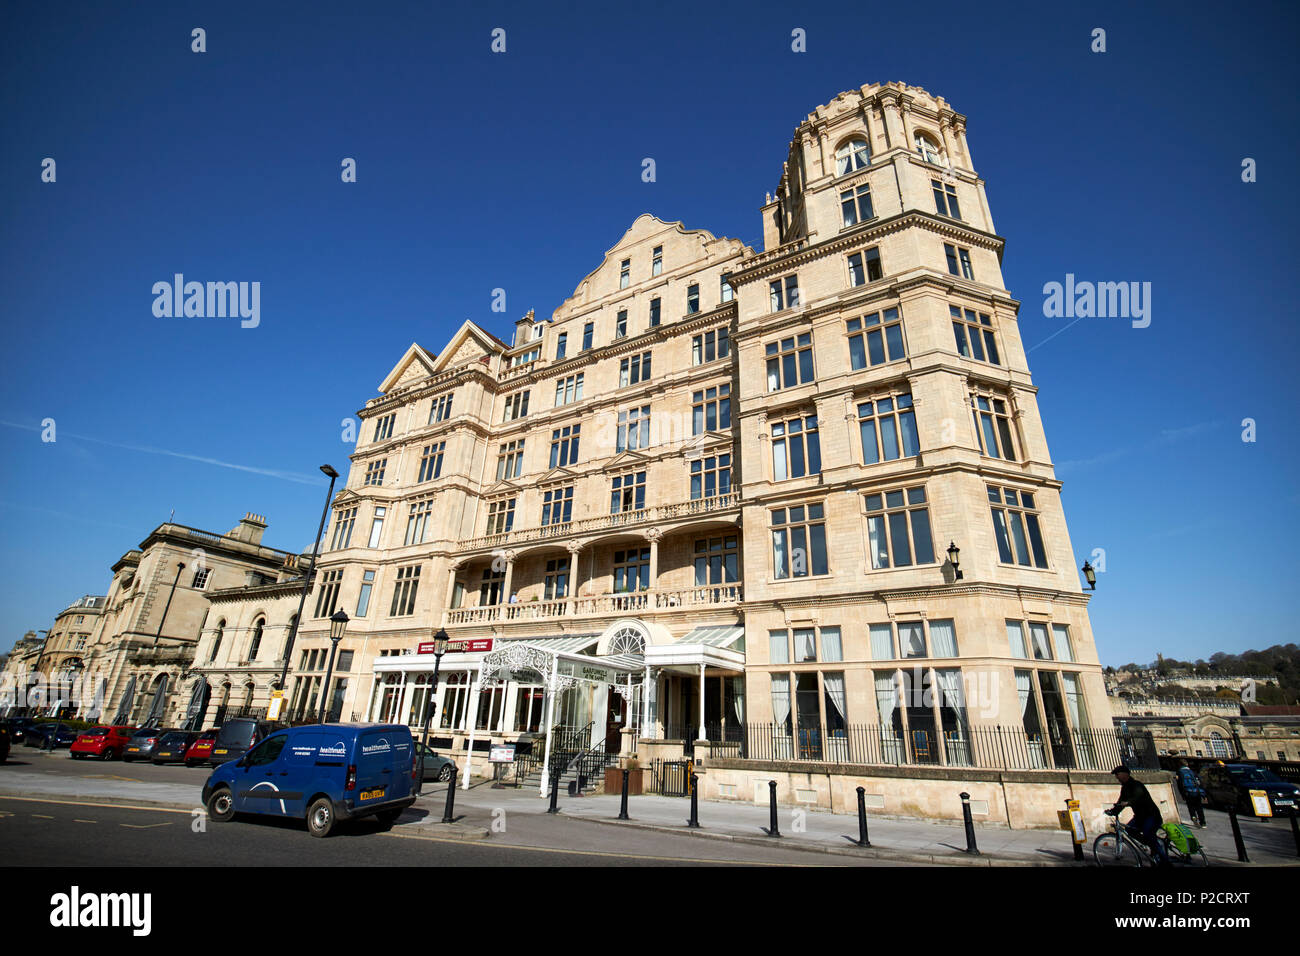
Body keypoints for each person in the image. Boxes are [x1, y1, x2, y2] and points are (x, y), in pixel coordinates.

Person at [1107, 764, 1169, 865]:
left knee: (1148, 834)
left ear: (1124, 774)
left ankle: (1165, 862)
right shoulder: (1125, 788)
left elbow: (1138, 796)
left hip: (1151, 815)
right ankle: (1150, 845)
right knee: (1129, 829)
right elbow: (1121, 802)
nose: (1116, 777)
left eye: (1117, 774)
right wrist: (1113, 811)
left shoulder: (1136, 785)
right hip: (1140, 817)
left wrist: (1128, 802)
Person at [1178, 762, 1206, 827]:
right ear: (1187, 765)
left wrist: (1182, 794)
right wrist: (1203, 793)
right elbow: (1199, 782)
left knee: (1191, 807)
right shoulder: (1192, 772)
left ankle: (1194, 817)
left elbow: (1180, 784)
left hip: (1188, 792)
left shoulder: (1180, 772)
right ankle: (1203, 823)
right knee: (1199, 807)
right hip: (1197, 792)